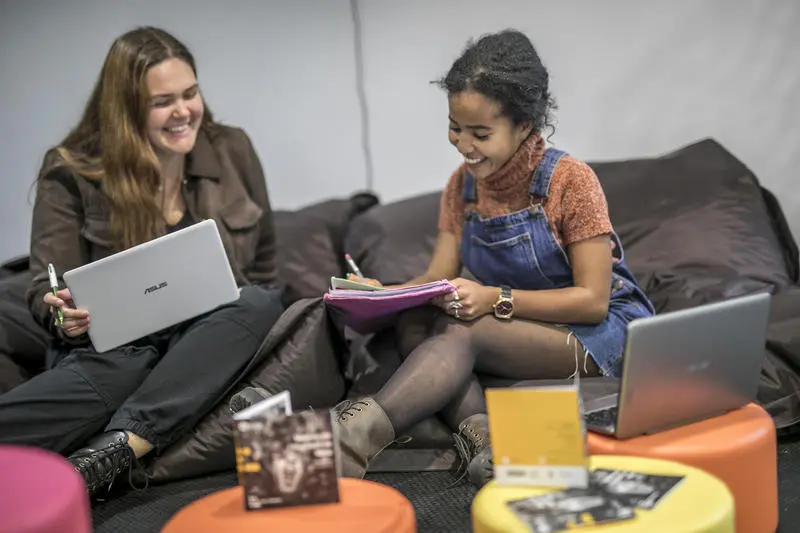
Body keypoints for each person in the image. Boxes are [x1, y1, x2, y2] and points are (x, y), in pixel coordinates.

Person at [334, 29, 654, 488]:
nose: (464, 145)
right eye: (455, 127)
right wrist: (383, 294)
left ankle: (352, 441)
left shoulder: (571, 181)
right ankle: (485, 441)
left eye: (480, 133)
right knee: (416, 321)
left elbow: (592, 301)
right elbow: (437, 274)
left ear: (524, 125)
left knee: (465, 330)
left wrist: (493, 298)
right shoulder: (461, 187)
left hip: (599, 331)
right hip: (519, 322)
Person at [0, 27, 284, 496]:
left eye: (190, 93)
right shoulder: (72, 171)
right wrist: (62, 314)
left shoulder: (232, 148)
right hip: (116, 350)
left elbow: (267, 266)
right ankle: (121, 442)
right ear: (127, 109)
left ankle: (118, 447)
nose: (183, 111)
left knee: (258, 302)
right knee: (129, 367)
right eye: (162, 102)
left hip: (213, 332)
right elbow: (44, 287)